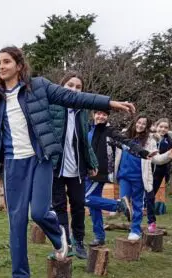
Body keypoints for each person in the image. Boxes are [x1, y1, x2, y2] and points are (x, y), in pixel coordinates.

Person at [0, 46, 135, 278]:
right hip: (13, 164)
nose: (1, 66)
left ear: (19, 65)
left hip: (40, 159)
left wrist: (109, 103)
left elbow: (74, 98)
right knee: (16, 220)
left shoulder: (39, 87)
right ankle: (20, 275)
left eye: (6, 62)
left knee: (40, 212)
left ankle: (58, 238)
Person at [49, 71, 98, 259]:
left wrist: (92, 162)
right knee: (59, 207)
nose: (74, 89)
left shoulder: (82, 111)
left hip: (76, 168)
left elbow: (84, 141)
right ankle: (64, 242)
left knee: (78, 205)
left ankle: (78, 241)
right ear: (62, 86)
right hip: (56, 166)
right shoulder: (52, 106)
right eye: (70, 85)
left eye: (78, 87)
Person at [85, 110, 151, 246]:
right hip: (84, 172)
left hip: (99, 173)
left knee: (83, 198)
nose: (101, 116)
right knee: (94, 205)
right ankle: (99, 236)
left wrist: (143, 152)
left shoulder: (110, 131)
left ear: (107, 117)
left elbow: (126, 143)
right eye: (98, 113)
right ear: (93, 115)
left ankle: (118, 205)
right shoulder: (87, 128)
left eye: (104, 114)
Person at [115, 115, 172, 240]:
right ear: (135, 122)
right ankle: (124, 217)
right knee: (124, 202)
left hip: (139, 176)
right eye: (139, 122)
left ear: (147, 127)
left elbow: (156, 158)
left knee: (137, 204)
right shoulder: (124, 135)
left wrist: (167, 156)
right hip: (124, 175)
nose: (140, 125)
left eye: (144, 124)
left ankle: (135, 230)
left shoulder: (150, 140)